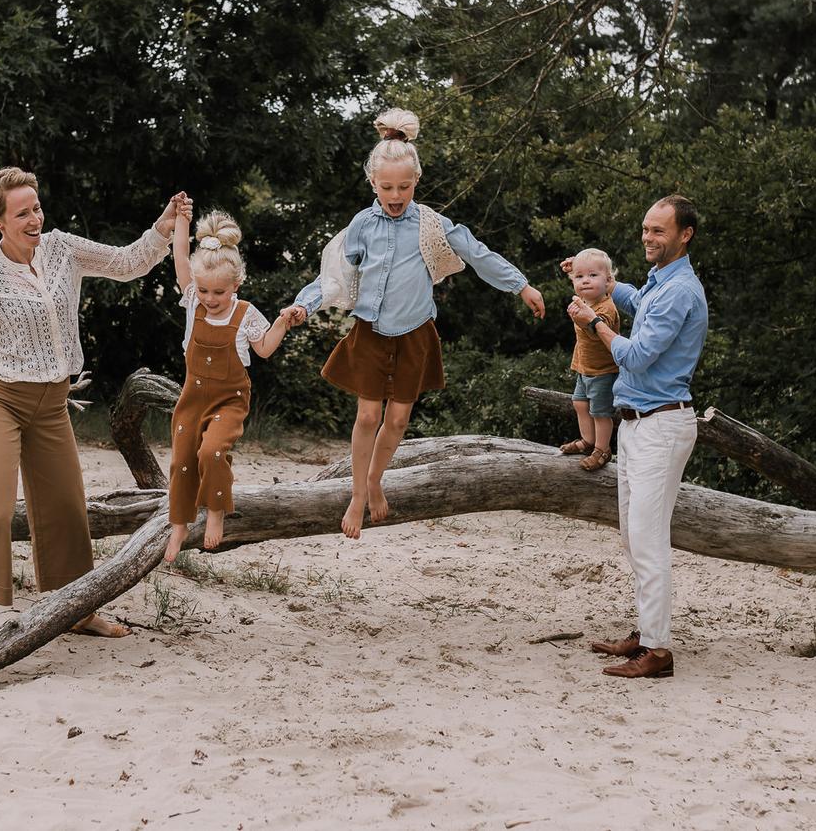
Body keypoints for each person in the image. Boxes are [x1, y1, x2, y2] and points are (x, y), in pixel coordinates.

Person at [0, 167, 190, 654]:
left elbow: (126, 262)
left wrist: (163, 226)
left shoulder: (62, 248)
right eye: (22, 213)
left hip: (52, 403)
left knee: (67, 507)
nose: (35, 218)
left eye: (36, 207)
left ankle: (75, 610)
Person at [284, 109, 545, 538]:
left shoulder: (431, 225)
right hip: (370, 331)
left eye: (404, 186)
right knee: (368, 416)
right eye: (387, 186)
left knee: (399, 420)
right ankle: (355, 494)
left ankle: (375, 479)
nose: (396, 193)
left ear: (416, 182)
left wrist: (521, 286)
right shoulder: (362, 225)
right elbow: (334, 275)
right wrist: (304, 306)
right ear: (373, 184)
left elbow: (478, 254)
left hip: (414, 334)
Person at [566, 195, 707, 680]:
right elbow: (629, 295)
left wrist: (594, 323)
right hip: (636, 424)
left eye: (659, 231)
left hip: (662, 425)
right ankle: (646, 634)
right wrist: (591, 275)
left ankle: (659, 652)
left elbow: (638, 356)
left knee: (648, 541)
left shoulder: (678, 292)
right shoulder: (657, 283)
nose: (648, 237)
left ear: (684, 234)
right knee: (633, 536)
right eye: (646, 229)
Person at [163, 208, 295, 562]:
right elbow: (179, 255)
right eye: (204, 289)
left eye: (218, 291)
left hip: (230, 400)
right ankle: (178, 525)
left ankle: (217, 511)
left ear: (236, 285)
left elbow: (264, 348)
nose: (209, 297)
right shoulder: (193, 302)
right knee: (182, 461)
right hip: (192, 398)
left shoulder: (245, 314)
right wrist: (182, 221)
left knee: (212, 452)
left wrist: (283, 322)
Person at [560, 248, 621, 472]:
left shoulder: (606, 306)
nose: (585, 281)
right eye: (579, 277)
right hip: (584, 368)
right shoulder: (584, 300)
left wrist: (584, 319)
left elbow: (598, 329)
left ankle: (602, 449)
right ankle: (588, 441)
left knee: (600, 412)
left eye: (593, 276)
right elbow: (585, 280)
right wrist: (579, 265)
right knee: (579, 403)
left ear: (608, 280)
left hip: (603, 370)